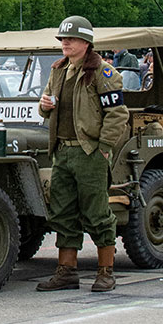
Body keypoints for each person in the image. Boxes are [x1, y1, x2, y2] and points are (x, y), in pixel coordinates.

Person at [36, 15, 129, 293]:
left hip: (89, 152)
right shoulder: (58, 70)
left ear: (86, 42)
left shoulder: (103, 72)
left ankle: (105, 271)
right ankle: (66, 271)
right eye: (63, 39)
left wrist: (103, 148)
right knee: (62, 213)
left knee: (97, 213)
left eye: (71, 39)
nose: (65, 43)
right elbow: (45, 107)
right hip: (62, 152)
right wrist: (44, 106)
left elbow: (117, 114)